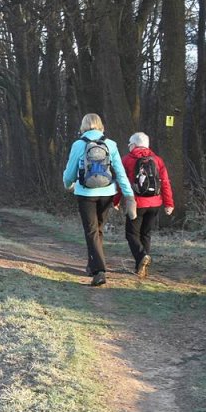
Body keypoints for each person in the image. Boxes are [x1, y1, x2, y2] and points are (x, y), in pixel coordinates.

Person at [63, 113, 137, 286]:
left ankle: (99, 271)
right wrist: (129, 195)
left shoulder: (78, 145)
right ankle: (92, 264)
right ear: (101, 125)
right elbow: (120, 172)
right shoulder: (111, 145)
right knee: (98, 230)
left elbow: (69, 173)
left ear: (83, 126)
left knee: (91, 231)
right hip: (107, 193)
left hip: (85, 194)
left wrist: (68, 184)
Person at [113, 132, 175, 278]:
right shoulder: (157, 160)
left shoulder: (127, 160)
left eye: (129, 143)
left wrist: (115, 200)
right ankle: (141, 268)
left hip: (136, 203)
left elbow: (123, 183)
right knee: (145, 234)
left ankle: (141, 257)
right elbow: (165, 183)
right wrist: (169, 203)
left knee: (131, 234)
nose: (128, 146)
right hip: (155, 203)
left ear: (134, 145)